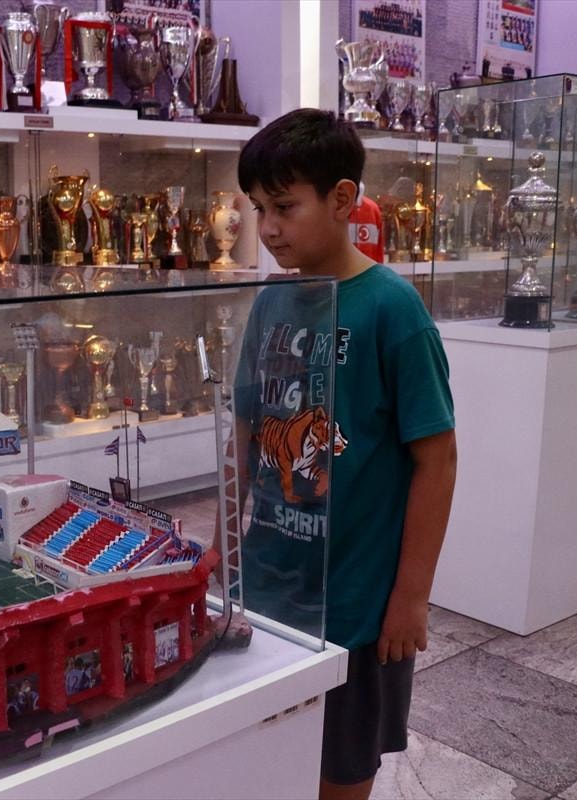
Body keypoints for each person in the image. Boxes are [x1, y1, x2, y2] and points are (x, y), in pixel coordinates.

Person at [233, 108, 457, 800]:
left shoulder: (394, 309)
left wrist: (411, 598)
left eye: (284, 207)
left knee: (341, 769)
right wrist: (223, 546)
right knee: (268, 756)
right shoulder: (273, 300)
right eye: (259, 209)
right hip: (270, 583)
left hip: (358, 603)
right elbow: (246, 426)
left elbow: (437, 459)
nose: (269, 228)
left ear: (340, 199)